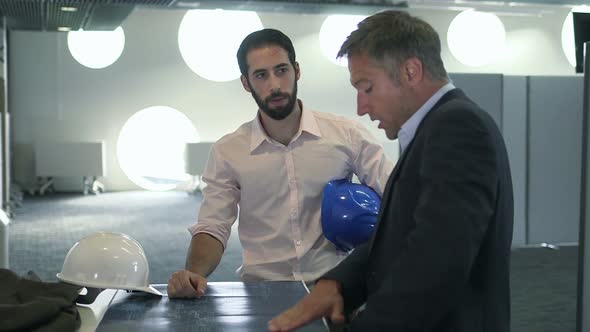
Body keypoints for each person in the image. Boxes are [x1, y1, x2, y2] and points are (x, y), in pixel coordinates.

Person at [268, 10, 513, 332]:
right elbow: (404, 235)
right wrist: (338, 285)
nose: (361, 107)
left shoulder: (457, 128)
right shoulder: (436, 127)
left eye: (366, 87)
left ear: (411, 72)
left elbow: (436, 264)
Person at [167, 28, 394, 298]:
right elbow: (213, 224)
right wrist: (194, 273)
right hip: (262, 289)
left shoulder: (346, 135)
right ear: (246, 83)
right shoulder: (228, 151)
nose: (274, 85)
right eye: (261, 75)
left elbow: (395, 192)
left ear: (297, 71)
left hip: (334, 286)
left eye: (281, 70)